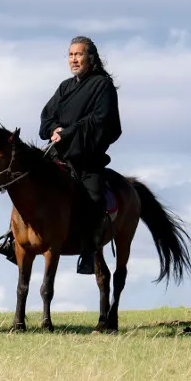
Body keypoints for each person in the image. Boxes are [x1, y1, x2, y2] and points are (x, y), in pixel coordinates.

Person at [40, 35, 122, 274]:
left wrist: (69, 133)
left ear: (91, 58)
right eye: (71, 55)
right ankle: (14, 240)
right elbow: (47, 115)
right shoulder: (65, 87)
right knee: (29, 181)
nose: (74, 59)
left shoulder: (102, 85)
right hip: (58, 156)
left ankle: (88, 250)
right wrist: (53, 129)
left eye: (79, 54)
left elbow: (100, 120)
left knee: (94, 197)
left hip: (87, 157)